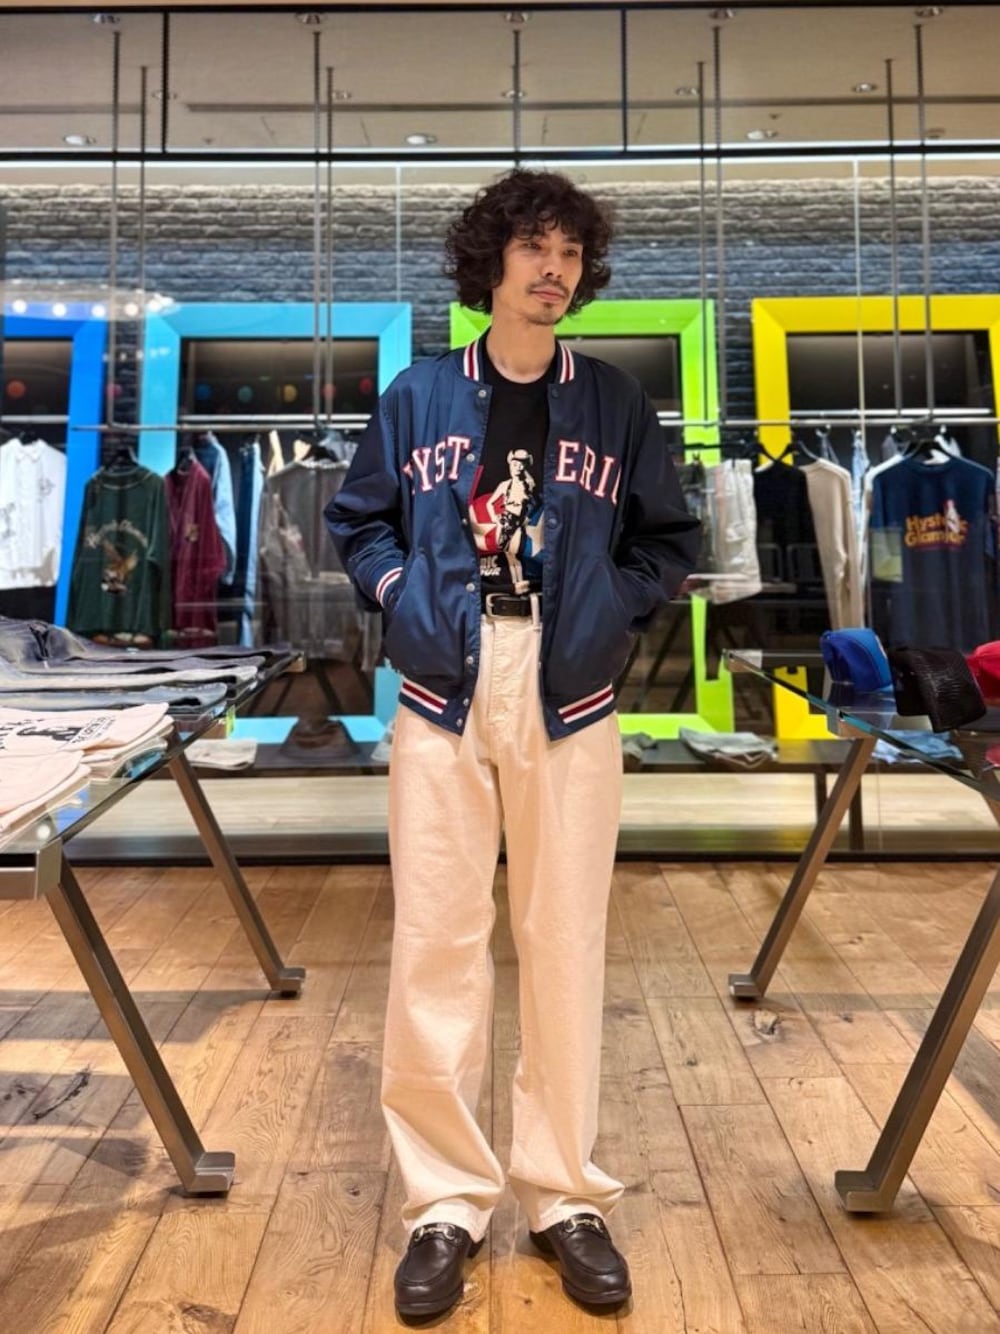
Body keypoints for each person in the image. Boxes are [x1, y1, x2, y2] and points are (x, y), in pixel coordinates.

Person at [326, 168, 700, 1321]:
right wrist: (401, 596)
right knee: (436, 938)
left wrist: (607, 608)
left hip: (569, 687)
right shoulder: (419, 392)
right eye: (535, 247)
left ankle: (560, 1191)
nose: (554, 270)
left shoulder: (615, 402)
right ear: (489, 260)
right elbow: (359, 520)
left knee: (563, 937)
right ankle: (443, 1201)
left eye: (571, 253)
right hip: (442, 681)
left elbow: (667, 538)